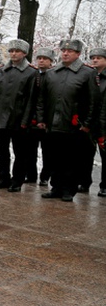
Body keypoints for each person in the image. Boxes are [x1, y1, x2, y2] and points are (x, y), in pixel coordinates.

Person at [36, 39, 100, 202]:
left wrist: (87, 124)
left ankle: (68, 189)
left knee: (71, 159)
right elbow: (42, 99)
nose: (65, 53)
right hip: (52, 124)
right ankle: (56, 187)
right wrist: (41, 119)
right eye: (63, 50)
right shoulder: (52, 73)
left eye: (70, 51)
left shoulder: (87, 73)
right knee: (53, 157)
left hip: (74, 126)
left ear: (78, 54)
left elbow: (93, 101)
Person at [0, 40, 38, 192]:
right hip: (1, 118)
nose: (13, 54)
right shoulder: (1, 70)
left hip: (19, 119)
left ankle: (17, 180)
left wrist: (26, 120)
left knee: (20, 152)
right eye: (11, 51)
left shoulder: (31, 72)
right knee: (2, 151)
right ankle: (3, 178)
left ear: (24, 53)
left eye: (17, 51)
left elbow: (31, 99)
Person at [81, 47, 106, 195]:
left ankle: (104, 186)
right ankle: (84, 183)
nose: (95, 60)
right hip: (89, 123)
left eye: (99, 58)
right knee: (85, 156)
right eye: (93, 57)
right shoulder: (89, 76)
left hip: (104, 123)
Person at [30, 47, 55, 186]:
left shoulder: (54, 75)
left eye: (44, 59)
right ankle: (31, 174)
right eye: (39, 58)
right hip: (32, 118)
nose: (41, 61)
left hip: (47, 119)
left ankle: (45, 175)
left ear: (50, 61)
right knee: (30, 150)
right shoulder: (32, 74)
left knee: (47, 151)